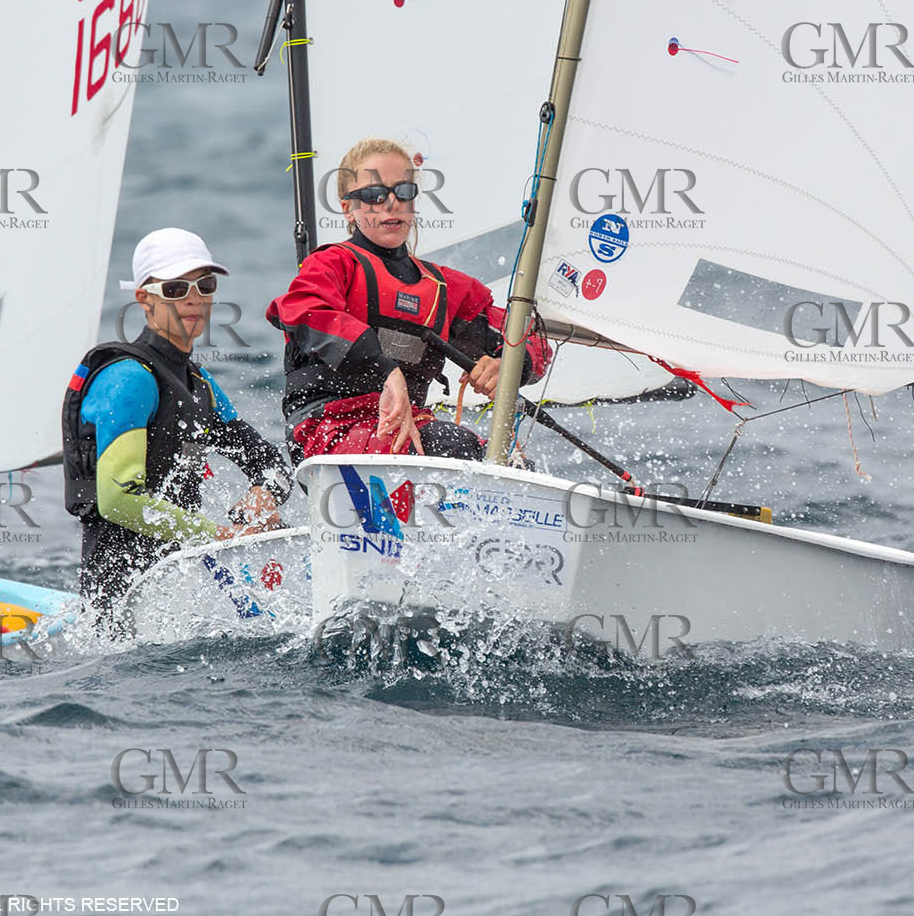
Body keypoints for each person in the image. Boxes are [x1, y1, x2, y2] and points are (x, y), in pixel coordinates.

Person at [266, 137, 554, 461]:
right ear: (348, 209)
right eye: (374, 195)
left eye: (403, 192)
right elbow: (303, 310)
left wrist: (510, 366)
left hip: (410, 428)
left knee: (506, 462)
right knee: (443, 445)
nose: (392, 204)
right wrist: (386, 371)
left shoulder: (444, 288)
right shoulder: (333, 264)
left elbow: (532, 338)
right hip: (326, 426)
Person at [63, 229, 294, 621]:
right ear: (144, 299)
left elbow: (268, 462)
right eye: (174, 288)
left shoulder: (200, 385)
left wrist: (263, 496)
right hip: (118, 604)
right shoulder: (129, 379)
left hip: (177, 596)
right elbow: (117, 500)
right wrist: (216, 535)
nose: (193, 298)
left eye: (205, 285)